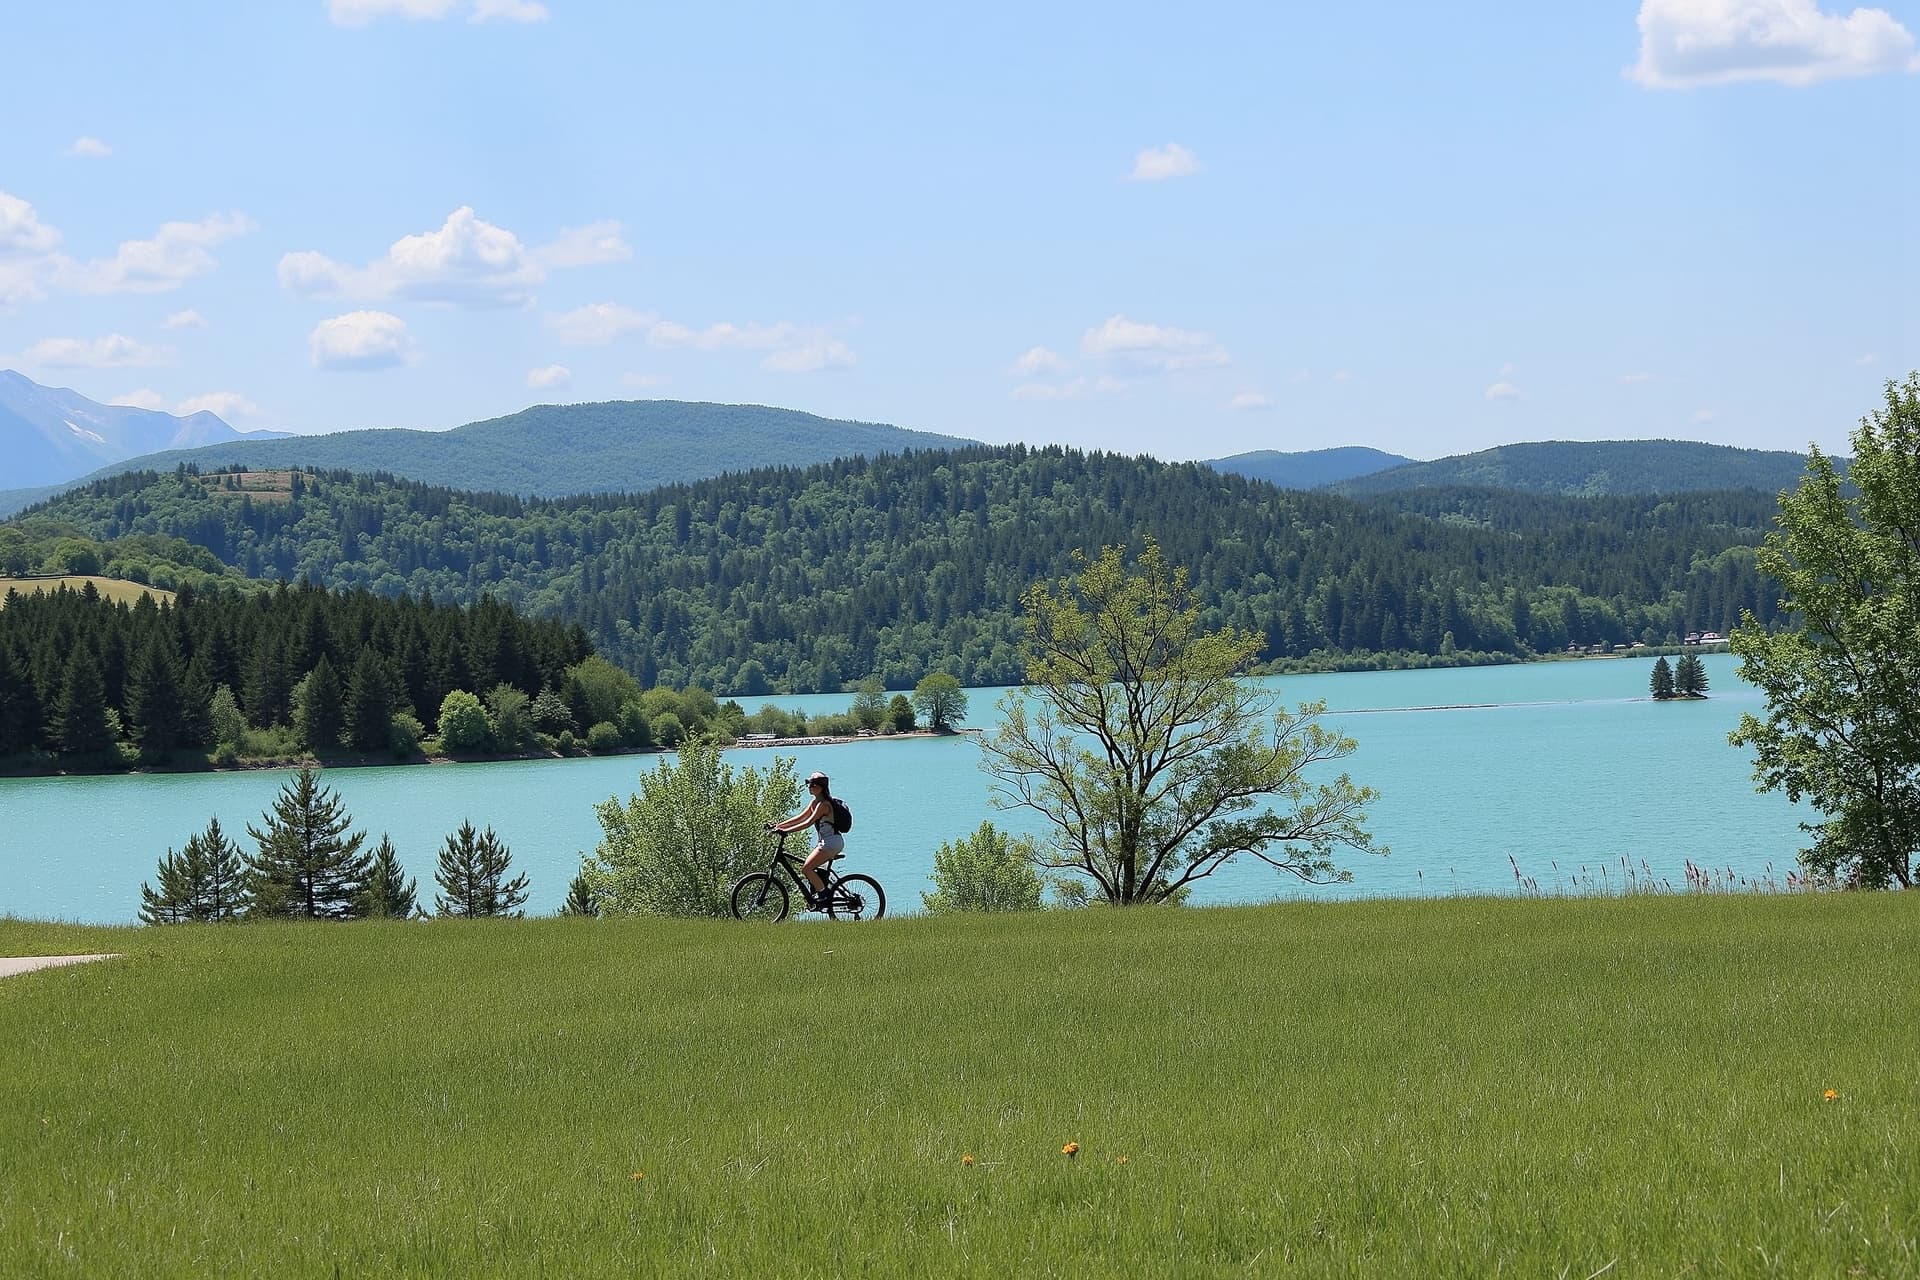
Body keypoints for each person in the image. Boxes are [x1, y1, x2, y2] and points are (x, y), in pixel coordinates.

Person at [771, 771, 843, 908]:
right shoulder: (815, 802)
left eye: (811, 785)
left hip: (831, 843)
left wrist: (785, 831)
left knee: (806, 869)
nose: (809, 787)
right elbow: (800, 818)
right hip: (826, 843)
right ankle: (820, 892)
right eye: (808, 784)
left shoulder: (824, 805)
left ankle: (823, 895)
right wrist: (778, 826)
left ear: (820, 788)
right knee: (809, 867)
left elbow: (807, 823)